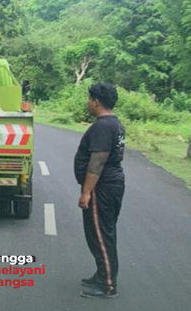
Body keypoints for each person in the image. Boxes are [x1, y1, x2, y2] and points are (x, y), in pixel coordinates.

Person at [73, 83, 125, 299]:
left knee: (101, 234)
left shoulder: (103, 126)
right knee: (102, 232)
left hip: (102, 187)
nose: (88, 103)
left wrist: (86, 192)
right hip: (111, 184)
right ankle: (101, 274)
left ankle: (107, 285)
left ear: (95, 101)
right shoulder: (115, 123)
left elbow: (98, 161)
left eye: (89, 99)